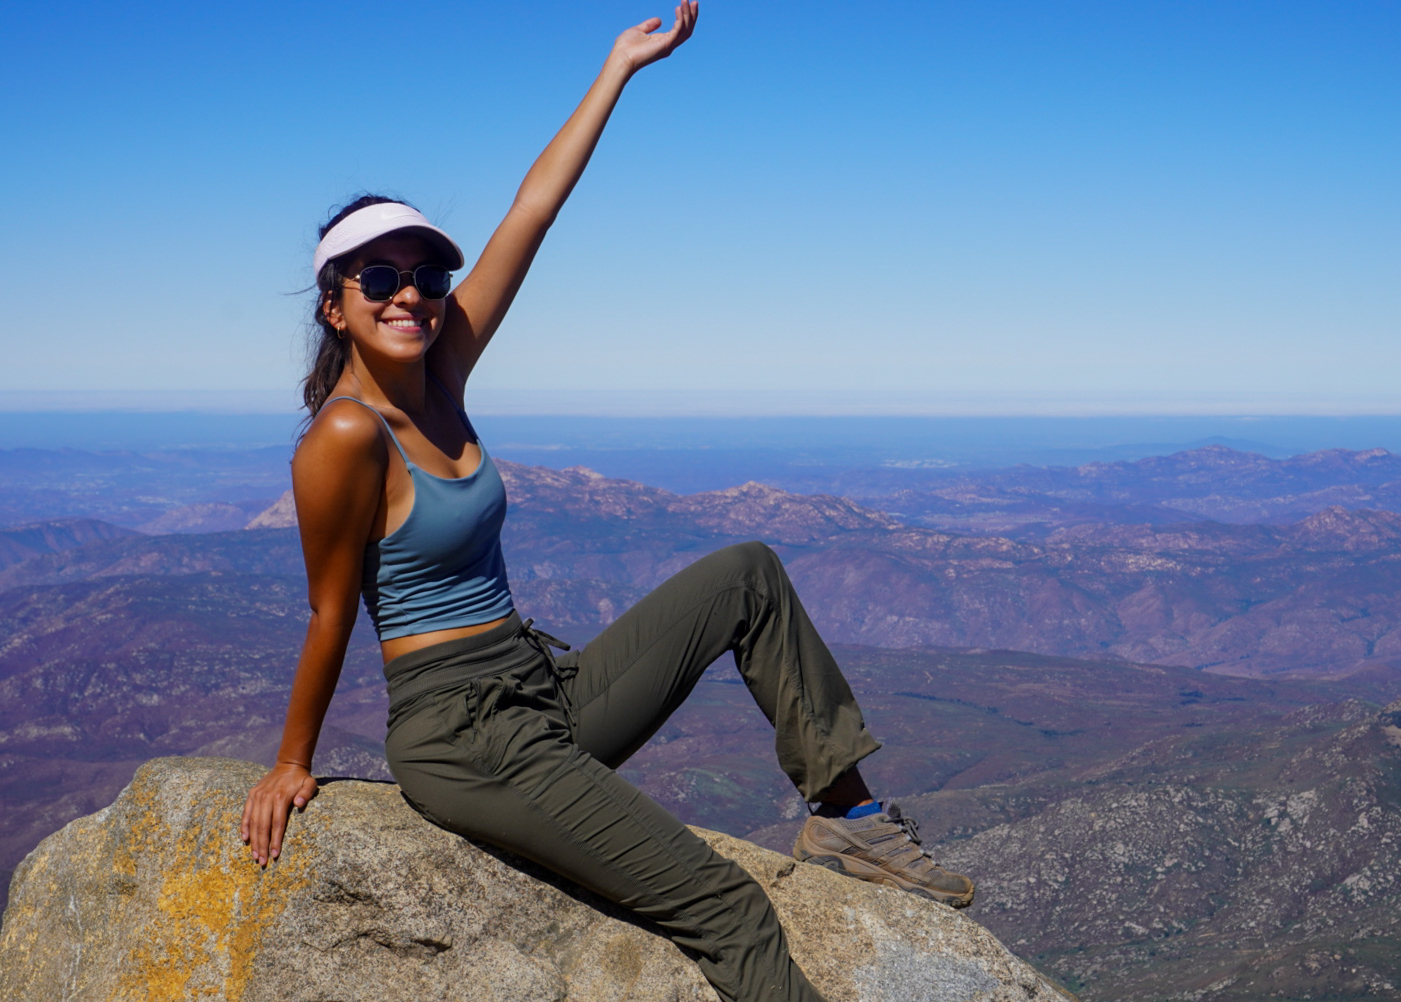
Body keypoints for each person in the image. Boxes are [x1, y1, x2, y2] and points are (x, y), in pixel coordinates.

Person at [238, 7, 972, 1000]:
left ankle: (845, 820)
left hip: (541, 687)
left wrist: (618, 68)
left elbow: (530, 213)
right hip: (462, 733)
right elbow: (330, 609)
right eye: (379, 277)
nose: (408, 294)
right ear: (334, 303)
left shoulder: (442, 369)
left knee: (747, 573)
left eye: (425, 275)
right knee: (728, 909)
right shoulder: (344, 435)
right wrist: (293, 762)